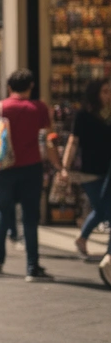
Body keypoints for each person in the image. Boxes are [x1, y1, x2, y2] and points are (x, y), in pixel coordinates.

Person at [0, 69, 60, 281]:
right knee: (30, 217)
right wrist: (58, 165)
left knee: (2, 213)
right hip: (31, 168)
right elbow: (48, 138)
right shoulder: (38, 108)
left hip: (4, 168)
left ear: (9, 87)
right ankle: (32, 267)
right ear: (31, 85)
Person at [66, 80, 111, 260]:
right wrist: (64, 167)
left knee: (103, 210)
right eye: (105, 91)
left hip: (108, 170)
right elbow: (73, 141)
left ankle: (83, 239)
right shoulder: (83, 115)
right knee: (103, 209)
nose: (108, 95)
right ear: (95, 94)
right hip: (90, 170)